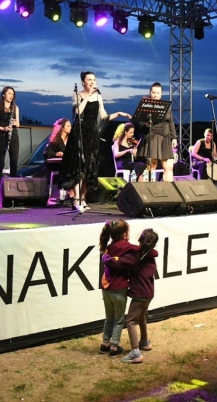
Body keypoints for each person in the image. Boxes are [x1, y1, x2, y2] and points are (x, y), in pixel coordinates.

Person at [59, 71, 130, 211]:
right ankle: (76, 200)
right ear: (83, 82)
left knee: (89, 167)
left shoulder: (98, 96)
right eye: (89, 79)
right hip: (79, 133)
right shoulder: (77, 95)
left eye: (94, 79)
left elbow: (104, 116)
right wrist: (88, 96)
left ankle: (83, 198)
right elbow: (78, 112)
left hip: (92, 134)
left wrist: (119, 114)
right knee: (79, 167)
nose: (92, 82)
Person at [103, 228, 159, 364]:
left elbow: (118, 263)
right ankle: (144, 341)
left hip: (139, 294)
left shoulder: (135, 257)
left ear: (140, 240)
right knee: (141, 317)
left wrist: (106, 258)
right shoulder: (151, 255)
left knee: (130, 321)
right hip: (149, 293)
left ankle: (135, 352)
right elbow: (154, 251)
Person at [98, 219, 134, 358]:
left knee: (109, 318)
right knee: (119, 319)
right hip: (119, 288)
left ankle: (105, 343)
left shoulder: (108, 248)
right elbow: (137, 251)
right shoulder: (126, 247)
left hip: (106, 288)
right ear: (125, 235)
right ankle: (114, 346)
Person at [137, 82, 178, 182]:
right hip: (153, 137)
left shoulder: (165, 106)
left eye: (158, 93)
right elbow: (141, 124)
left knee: (169, 166)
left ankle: (169, 192)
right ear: (150, 93)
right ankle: (144, 190)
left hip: (165, 137)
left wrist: (174, 137)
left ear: (161, 94)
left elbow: (170, 122)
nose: (156, 95)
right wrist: (147, 124)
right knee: (152, 166)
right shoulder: (146, 105)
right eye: (154, 92)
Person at [0, 86, 20, 192]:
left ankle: (14, 189)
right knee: (0, 163)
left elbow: (18, 124)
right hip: (1, 136)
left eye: (13, 94)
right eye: (9, 93)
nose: (11, 96)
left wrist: (15, 123)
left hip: (13, 136)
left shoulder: (15, 108)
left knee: (14, 163)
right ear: (3, 94)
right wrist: (3, 128)